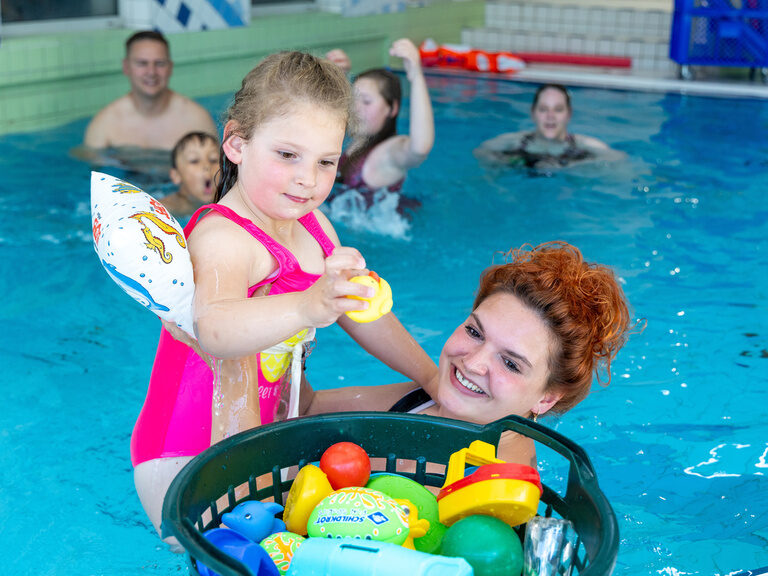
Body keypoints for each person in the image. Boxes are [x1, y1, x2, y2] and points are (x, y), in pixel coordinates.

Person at [129, 51, 436, 548]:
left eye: (326, 161)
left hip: (269, 421)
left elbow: (361, 313)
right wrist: (307, 306)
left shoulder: (312, 225)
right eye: (287, 155)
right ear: (235, 144)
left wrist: (431, 376)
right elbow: (217, 329)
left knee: (429, 407)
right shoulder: (223, 237)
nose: (308, 179)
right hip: (186, 454)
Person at [308, 241, 637, 466]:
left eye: (510, 363)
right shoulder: (426, 402)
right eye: (475, 332)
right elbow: (302, 410)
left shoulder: (499, 483)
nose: (473, 363)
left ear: (546, 399)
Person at [327, 38, 434, 215]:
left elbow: (420, 147)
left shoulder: (388, 154)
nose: (356, 108)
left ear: (392, 109)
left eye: (367, 102)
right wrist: (340, 75)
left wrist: (416, 76)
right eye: (353, 99)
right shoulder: (354, 140)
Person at [82, 31, 217, 150]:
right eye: (142, 63)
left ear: (170, 67)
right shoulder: (104, 124)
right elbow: (89, 175)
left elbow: (216, 174)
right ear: (126, 67)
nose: (151, 72)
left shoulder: (197, 120)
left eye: (159, 63)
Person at [475, 84, 621, 169]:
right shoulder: (513, 143)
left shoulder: (588, 147)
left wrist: (574, 167)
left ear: (568, 114)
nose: (550, 116)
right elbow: (481, 153)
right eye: (543, 109)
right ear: (533, 114)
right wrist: (508, 162)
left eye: (558, 109)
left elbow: (619, 165)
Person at [160, 131, 220, 217]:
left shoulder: (229, 202)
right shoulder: (164, 209)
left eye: (213, 160)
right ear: (176, 175)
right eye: (194, 161)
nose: (207, 166)